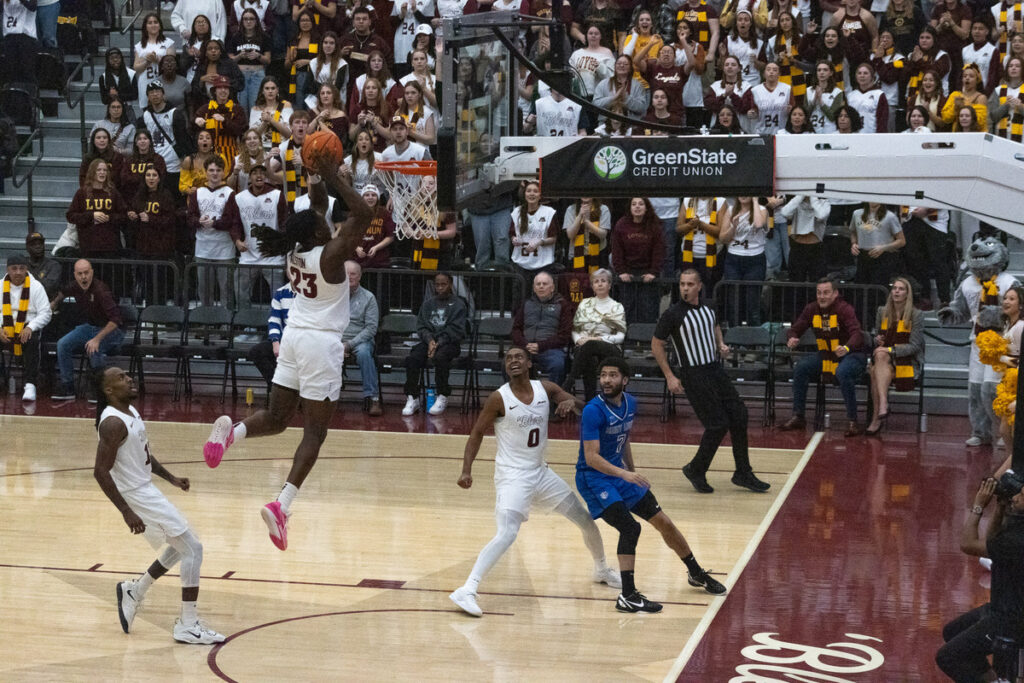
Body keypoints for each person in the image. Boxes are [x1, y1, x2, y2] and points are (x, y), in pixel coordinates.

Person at [204, 160, 373, 551]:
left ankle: (234, 433)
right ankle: (282, 505)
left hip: (295, 336)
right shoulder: (330, 256)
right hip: (319, 343)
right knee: (315, 431)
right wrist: (333, 177)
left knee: (279, 418)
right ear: (320, 230)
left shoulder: (295, 249)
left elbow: (316, 208)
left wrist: (315, 176)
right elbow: (364, 213)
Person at [449, 347, 621, 617]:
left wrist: (568, 403)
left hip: (541, 474)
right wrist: (466, 470)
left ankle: (601, 569)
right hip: (513, 477)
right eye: (508, 358)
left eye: (518, 357)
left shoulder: (546, 388)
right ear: (506, 367)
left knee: (584, 519)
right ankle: (467, 589)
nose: (513, 360)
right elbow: (476, 434)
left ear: (529, 363)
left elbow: (579, 406)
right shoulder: (499, 399)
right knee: (507, 534)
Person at [576, 356, 727, 613]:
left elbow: (623, 439)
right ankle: (628, 596)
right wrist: (625, 475)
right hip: (594, 478)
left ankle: (695, 572)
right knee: (630, 528)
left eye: (612, 375)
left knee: (664, 522)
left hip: (620, 475)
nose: (606, 380)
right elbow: (591, 458)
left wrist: (632, 473)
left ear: (625, 380)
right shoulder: (593, 410)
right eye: (603, 375)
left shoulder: (630, 403)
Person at [94, 367, 226, 644]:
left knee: (180, 549)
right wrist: (127, 511)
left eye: (128, 375)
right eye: (120, 377)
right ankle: (187, 624)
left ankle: (135, 590)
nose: (129, 378)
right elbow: (100, 472)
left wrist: (171, 478)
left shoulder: (130, 413)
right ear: (108, 390)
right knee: (193, 548)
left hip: (146, 490)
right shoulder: (112, 423)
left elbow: (141, 454)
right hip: (137, 496)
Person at [652, 269, 771, 494]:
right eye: (682, 284)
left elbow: (714, 325)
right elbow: (656, 344)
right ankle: (697, 468)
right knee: (717, 424)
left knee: (739, 414)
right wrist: (670, 376)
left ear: (699, 287)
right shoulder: (673, 314)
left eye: (689, 284)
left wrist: (721, 344)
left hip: (714, 369)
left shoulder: (710, 307)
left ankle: (743, 472)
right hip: (693, 373)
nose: (685, 288)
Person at [936, 475, 1024, 681]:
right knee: (953, 631)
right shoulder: (1018, 526)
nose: (1017, 496)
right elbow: (994, 541)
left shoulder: (1018, 541)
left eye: (1022, 495)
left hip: (1011, 619)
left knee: (948, 657)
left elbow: (968, 544)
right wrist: (1001, 507)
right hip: (1003, 606)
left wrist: (978, 506)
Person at [778, 277, 868, 435]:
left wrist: (846, 348)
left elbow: (857, 334)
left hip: (852, 355)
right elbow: (794, 329)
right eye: (819, 293)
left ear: (835, 294)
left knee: (842, 372)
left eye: (826, 293)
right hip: (826, 355)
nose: (822, 296)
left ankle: (853, 421)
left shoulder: (845, 309)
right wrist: (791, 338)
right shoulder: (811, 309)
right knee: (801, 368)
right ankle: (798, 416)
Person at [49, 259, 124, 401]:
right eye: (80, 274)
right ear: (75, 275)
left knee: (94, 347)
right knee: (63, 344)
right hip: (89, 327)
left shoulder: (101, 291)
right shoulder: (75, 286)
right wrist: (53, 303)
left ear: (92, 273)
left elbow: (116, 320)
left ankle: (99, 388)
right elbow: (63, 292)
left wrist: (97, 339)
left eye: (86, 273)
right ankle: (68, 386)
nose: (83, 277)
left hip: (112, 330)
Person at [401, 271, 469, 417]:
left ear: (450, 284)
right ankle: (413, 397)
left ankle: (442, 394)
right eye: (437, 285)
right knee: (413, 358)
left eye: (443, 284)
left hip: (450, 343)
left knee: (440, 357)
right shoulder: (428, 304)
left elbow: (456, 329)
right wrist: (430, 340)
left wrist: (438, 342)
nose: (440, 288)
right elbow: (422, 326)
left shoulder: (459, 304)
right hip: (429, 341)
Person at [867, 277, 924, 435]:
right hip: (885, 360)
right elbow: (877, 336)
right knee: (879, 357)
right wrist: (877, 340)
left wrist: (889, 350)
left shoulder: (916, 315)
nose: (896, 291)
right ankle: (883, 405)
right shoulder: (882, 311)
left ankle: (876, 418)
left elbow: (914, 346)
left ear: (907, 294)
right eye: (894, 288)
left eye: (901, 289)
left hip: (907, 360)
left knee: (875, 368)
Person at [565, 268, 626, 401]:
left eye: (603, 281)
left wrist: (598, 339)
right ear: (592, 286)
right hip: (584, 347)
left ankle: (567, 385)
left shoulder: (617, 306)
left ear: (609, 285)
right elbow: (575, 329)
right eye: (596, 281)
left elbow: (621, 337)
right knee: (589, 359)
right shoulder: (584, 304)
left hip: (609, 348)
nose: (599, 284)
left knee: (590, 345)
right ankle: (590, 402)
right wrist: (578, 340)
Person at [1, 254, 51, 402]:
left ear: (26, 269)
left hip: (27, 328)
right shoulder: (0, 285)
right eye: (14, 268)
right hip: (5, 329)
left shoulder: (36, 287)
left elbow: (46, 313)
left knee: (32, 341)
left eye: (21, 268)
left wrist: (31, 327)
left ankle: (30, 386)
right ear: (8, 270)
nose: (17, 272)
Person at [510, 271, 573, 387]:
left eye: (545, 284)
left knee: (558, 365)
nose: (541, 286)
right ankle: (516, 398)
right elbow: (516, 329)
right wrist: (525, 344)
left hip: (551, 349)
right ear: (534, 288)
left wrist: (540, 345)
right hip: (525, 347)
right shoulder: (526, 304)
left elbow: (564, 335)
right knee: (508, 364)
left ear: (552, 287)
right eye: (538, 284)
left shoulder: (563, 305)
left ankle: (552, 400)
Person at [341, 261, 382, 416]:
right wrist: (337, 344)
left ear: (360, 276)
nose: (349, 277)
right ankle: (317, 396)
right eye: (346, 273)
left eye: (353, 274)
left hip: (360, 340)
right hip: (337, 339)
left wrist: (349, 345)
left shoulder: (368, 297)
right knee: (318, 350)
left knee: (365, 353)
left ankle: (373, 398)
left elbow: (371, 328)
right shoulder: (332, 296)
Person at [247, 283, 295, 386]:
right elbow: (274, 321)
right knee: (256, 352)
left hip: (302, 340)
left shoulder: (310, 294)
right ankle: (277, 385)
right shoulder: (280, 293)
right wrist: (275, 341)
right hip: (284, 340)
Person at [849, 202, 905, 286]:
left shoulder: (890, 216)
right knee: (860, 289)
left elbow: (901, 241)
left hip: (882, 258)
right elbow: (853, 231)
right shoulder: (857, 213)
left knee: (877, 292)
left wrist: (884, 248)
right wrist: (854, 243)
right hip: (862, 257)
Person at [25, 231, 61, 298]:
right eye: (34, 244)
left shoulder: (53, 265)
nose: (38, 247)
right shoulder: (22, 264)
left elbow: (48, 288)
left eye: (40, 244)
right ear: (27, 247)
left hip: (47, 303)